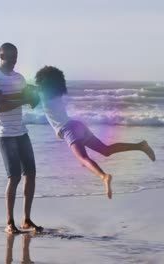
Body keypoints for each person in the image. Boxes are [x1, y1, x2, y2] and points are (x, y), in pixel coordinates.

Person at [32, 66, 156, 199]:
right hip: (77, 125)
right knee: (105, 150)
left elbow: (30, 96)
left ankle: (104, 176)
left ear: (42, 81)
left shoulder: (41, 94)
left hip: (68, 129)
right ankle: (140, 146)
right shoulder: (58, 93)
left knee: (83, 158)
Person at [0, 43, 42, 234]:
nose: (14, 61)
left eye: (16, 56)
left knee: (31, 174)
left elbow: (28, 98)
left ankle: (26, 219)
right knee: (14, 176)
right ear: (2, 56)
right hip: (4, 133)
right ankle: (10, 222)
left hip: (20, 131)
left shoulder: (19, 78)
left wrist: (35, 96)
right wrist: (25, 98)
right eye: (10, 57)